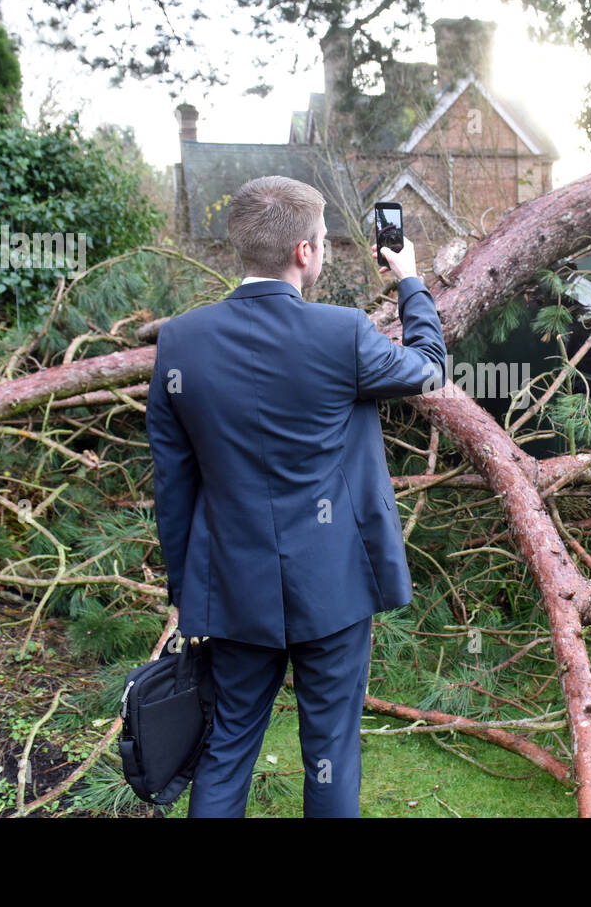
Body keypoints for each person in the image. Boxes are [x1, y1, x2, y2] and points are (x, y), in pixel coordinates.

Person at [145, 175, 446, 817]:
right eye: (320, 242)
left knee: (226, 746)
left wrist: (187, 590)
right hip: (333, 587)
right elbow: (429, 366)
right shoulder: (343, 334)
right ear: (304, 252)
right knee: (330, 748)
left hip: (231, 586)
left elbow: (172, 485)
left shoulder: (180, 341)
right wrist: (410, 280)